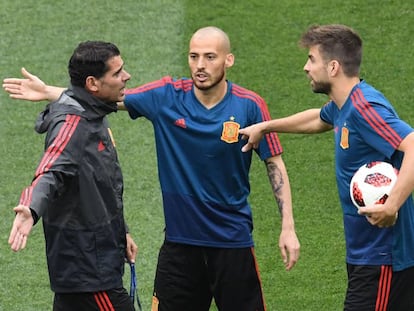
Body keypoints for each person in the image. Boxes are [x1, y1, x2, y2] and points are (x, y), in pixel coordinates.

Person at [3, 26, 300, 311]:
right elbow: (104, 97)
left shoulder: (250, 105)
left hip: (232, 244)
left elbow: (274, 163)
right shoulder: (166, 96)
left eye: (210, 57)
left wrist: (288, 227)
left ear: (228, 60)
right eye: (194, 56)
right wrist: (49, 92)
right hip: (179, 247)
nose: (200, 65)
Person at [239, 24, 414, 310]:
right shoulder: (344, 105)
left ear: (333, 67)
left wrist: (391, 205)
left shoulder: (364, 107)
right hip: (365, 253)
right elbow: (319, 119)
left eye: (311, 59)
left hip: (384, 256)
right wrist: (267, 126)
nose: (305, 67)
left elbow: (413, 145)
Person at [6, 41, 139, 311]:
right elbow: (51, 170)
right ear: (93, 83)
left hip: (90, 260)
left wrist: (120, 232)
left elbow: (98, 187)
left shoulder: (94, 111)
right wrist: (31, 207)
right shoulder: (73, 124)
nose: (127, 77)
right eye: (117, 73)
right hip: (89, 270)